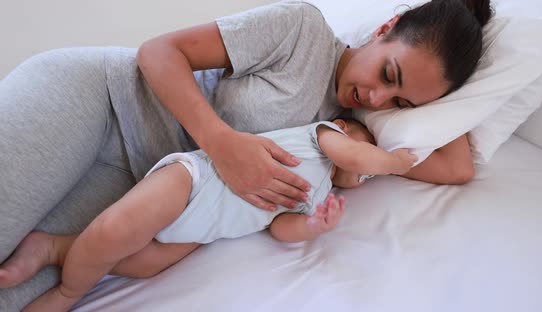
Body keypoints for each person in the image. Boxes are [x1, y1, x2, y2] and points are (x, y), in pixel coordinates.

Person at [0, 0, 492, 309]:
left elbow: (456, 167)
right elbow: (158, 52)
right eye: (388, 75)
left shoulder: (353, 135)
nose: (378, 99)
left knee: (18, 290)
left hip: (138, 185)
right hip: (102, 101)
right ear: (387, 26)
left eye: (401, 103)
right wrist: (222, 144)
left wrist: (440, 104)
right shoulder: (303, 31)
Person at [1, 119, 417, 311]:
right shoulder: (320, 136)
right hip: (195, 181)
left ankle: (55, 248)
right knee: (117, 230)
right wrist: (394, 161)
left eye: (366, 176)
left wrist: (313, 225)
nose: (363, 172)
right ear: (344, 129)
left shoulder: (319, 194)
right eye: (366, 155)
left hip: (202, 230)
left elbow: (280, 229)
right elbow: (354, 154)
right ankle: (69, 293)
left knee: (143, 264)